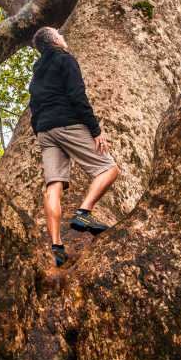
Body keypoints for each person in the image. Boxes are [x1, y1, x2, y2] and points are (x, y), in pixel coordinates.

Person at [29, 26, 120, 267]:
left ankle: (56, 246)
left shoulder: (37, 71)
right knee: (109, 168)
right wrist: (95, 130)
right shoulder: (64, 59)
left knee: (53, 187)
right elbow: (77, 95)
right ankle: (84, 213)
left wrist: (40, 130)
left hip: (44, 131)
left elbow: (34, 104)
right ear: (56, 40)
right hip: (68, 122)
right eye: (59, 34)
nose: (62, 35)